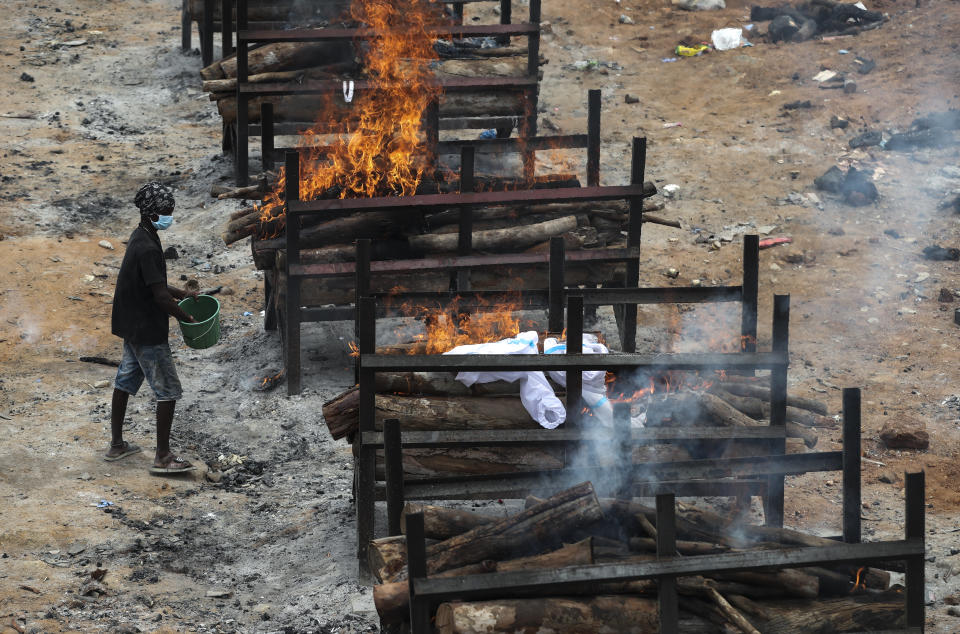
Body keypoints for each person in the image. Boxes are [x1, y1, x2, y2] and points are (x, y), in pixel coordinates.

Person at [104, 182, 198, 474]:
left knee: (125, 380)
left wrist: (182, 294)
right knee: (168, 390)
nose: (169, 216)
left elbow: (154, 283)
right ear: (150, 213)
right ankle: (163, 457)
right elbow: (159, 296)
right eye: (165, 212)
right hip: (146, 329)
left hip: (131, 324)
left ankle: (117, 444)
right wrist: (187, 317)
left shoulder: (142, 235)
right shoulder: (147, 246)